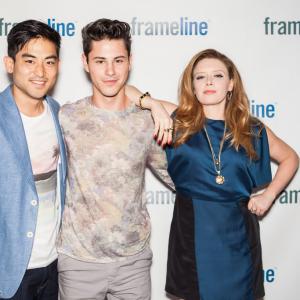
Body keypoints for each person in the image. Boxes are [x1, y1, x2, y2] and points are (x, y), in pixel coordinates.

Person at [162, 48, 299, 300]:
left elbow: (291, 158)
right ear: (192, 85)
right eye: (200, 77)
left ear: (231, 83)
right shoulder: (177, 122)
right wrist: (149, 102)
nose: (209, 82)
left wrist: (268, 196)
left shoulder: (252, 129)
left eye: (217, 75)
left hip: (238, 239)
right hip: (191, 233)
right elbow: (127, 93)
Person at [56, 18, 174, 300]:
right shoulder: (66, 118)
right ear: (85, 62)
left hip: (133, 263)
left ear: (130, 61)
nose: (110, 71)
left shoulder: (147, 122)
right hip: (77, 262)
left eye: (118, 60)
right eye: (100, 61)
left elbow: (179, 177)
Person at [0, 20, 67, 299]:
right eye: (30, 60)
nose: (40, 72)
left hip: (54, 266)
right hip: (9, 272)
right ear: (10, 64)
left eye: (49, 62)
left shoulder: (58, 113)